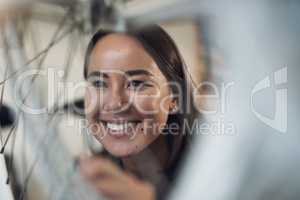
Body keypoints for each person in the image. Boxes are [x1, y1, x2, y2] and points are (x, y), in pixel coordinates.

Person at [79, 24, 199, 200]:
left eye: (136, 84)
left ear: (174, 98)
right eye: (99, 84)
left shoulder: (212, 167)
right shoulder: (90, 178)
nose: (114, 103)